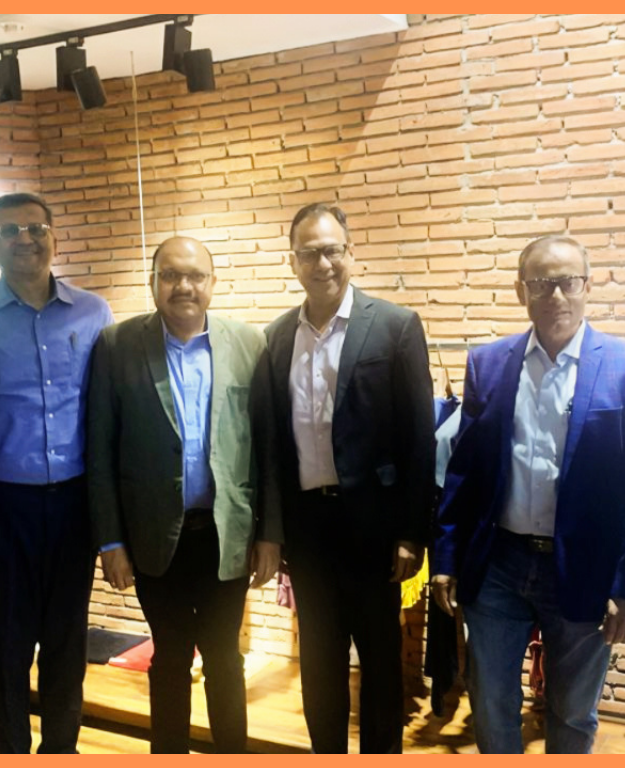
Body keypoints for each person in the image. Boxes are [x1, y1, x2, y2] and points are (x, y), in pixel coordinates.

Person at [432, 235, 625, 753]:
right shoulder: (488, 363)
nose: (555, 295)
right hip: (498, 563)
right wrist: (445, 557)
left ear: (588, 286)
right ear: (521, 291)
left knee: (572, 712)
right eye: (540, 284)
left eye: (567, 282)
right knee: (491, 702)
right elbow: (464, 471)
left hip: (584, 568)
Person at [251, 203, 434, 753]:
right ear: (293, 262)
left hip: (375, 530)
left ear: (351, 253)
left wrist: (412, 533)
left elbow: (419, 440)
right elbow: (271, 447)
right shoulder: (276, 337)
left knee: (379, 660)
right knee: (319, 661)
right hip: (308, 530)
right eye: (309, 253)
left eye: (332, 250)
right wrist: (272, 531)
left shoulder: (395, 327)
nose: (322, 263)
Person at [88, 236, 282, 753]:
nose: (183, 286)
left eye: (195, 276)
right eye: (171, 275)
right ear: (153, 282)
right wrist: (110, 541)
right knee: (170, 656)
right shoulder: (116, 346)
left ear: (212, 283)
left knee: (224, 658)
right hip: (154, 537)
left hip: (226, 535)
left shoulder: (250, 344)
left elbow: (268, 448)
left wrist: (270, 535)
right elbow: (100, 450)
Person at [0, 192, 112, 753]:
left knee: (66, 643)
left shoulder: (94, 313)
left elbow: (107, 420)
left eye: (35, 227)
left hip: (74, 507)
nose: (24, 239)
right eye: (8, 231)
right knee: (5, 649)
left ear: (54, 235)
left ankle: (61, 751)